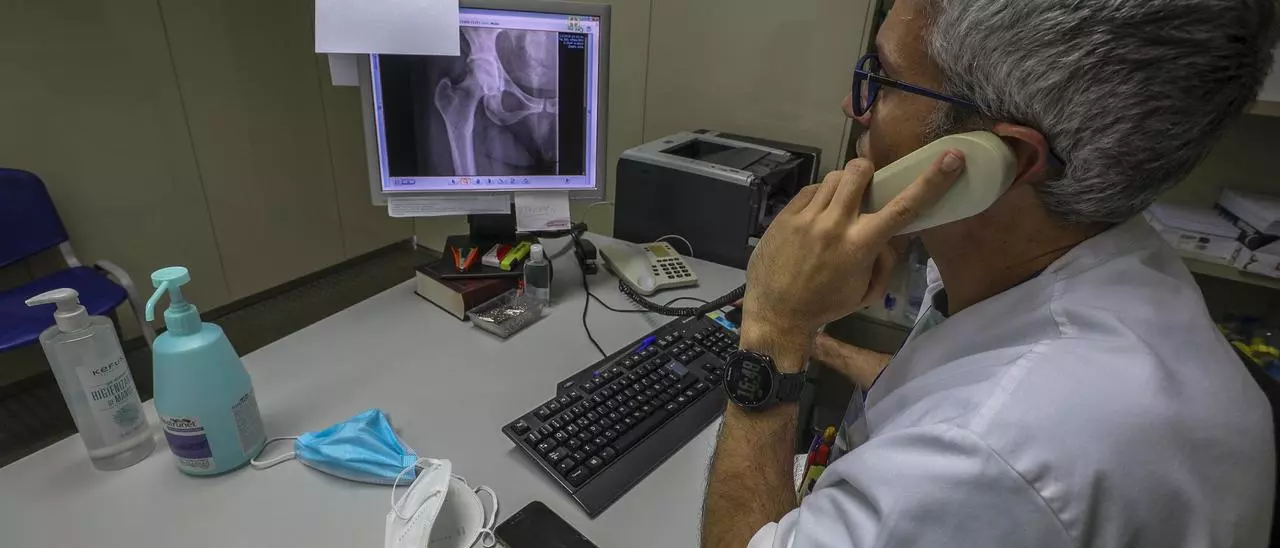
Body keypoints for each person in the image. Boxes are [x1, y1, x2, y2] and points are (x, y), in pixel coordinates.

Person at [701, 0, 1280, 546]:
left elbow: (972, 425)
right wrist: (818, 343)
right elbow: (942, 383)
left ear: (996, 160)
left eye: (885, 77)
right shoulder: (1108, 263)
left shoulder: (988, 450)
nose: (856, 107)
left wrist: (772, 331)